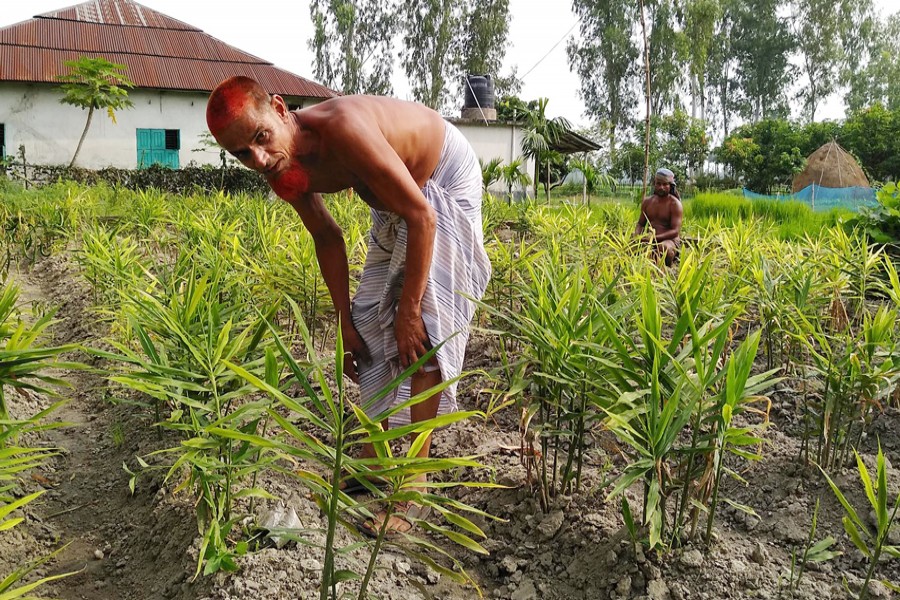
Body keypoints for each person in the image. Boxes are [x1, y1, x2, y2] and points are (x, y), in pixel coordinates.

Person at [206, 76, 491, 535]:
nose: (257, 159)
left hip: (439, 181)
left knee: (422, 331)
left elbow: (422, 216)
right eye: (241, 154)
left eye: (260, 138)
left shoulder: (343, 129)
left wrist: (411, 310)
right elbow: (327, 237)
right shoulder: (282, 169)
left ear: (280, 109)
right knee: (369, 322)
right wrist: (343, 322)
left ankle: (413, 479)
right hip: (394, 197)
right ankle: (376, 457)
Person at [634, 168, 683, 266]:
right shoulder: (647, 202)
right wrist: (637, 236)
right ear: (654, 184)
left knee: (663, 248)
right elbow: (640, 224)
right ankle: (650, 260)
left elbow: (675, 231)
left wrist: (653, 239)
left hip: (670, 241)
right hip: (650, 240)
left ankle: (667, 268)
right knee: (631, 246)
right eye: (659, 184)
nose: (661, 187)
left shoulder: (674, 204)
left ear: (670, 186)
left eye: (665, 184)